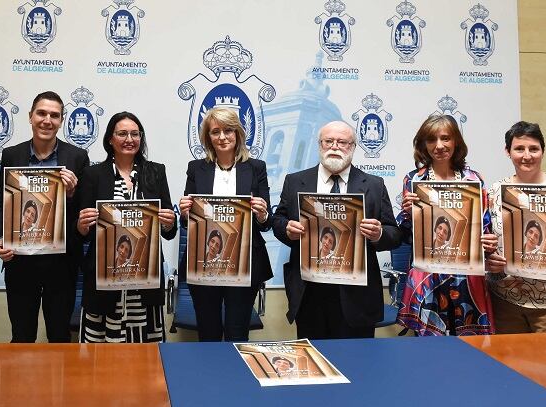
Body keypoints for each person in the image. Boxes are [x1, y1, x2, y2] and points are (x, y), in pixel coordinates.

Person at [272, 121, 401, 339]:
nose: (334, 146)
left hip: (356, 297)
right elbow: (278, 220)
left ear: (352, 147)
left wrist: (379, 234)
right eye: (328, 141)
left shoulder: (374, 184)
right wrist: (286, 229)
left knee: (356, 365)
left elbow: (394, 234)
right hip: (309, 292)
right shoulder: (295, 181)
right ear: (319, 144)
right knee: (313, 364)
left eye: (342, 142)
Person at [0, 91, 89, 343]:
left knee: (59, 336)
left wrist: (71, 193)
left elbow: (86, 215)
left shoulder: (78, 157)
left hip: (61, 264)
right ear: (30, 116)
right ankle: (21, 384)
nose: (47, 120)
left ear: (61, 121)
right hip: (20, 262)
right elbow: (1, 205)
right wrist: (1, 239)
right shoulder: (11, 155)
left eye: (54, 115)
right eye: (42, 113)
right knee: (22, 336)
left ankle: (60, 384)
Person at [77, 111, 177, 343]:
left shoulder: (156, 172)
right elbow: (82, 233)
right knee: (100, 358)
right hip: (103, 281)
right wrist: (81, 225)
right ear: (110, 139)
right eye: (122, 133)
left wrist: (168, 222)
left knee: (146, 357)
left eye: (135, 134)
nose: (129, 139)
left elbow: (169, 232)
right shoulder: (93, 175)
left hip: (145, 281)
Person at [178, 107, 272, 342]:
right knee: (207, 332)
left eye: (228, 130)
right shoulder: (196, 168)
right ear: (207, 137)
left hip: (245, 263)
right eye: (215, 132)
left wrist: (262, 214)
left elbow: (266, 222)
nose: (222, 137)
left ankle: (236, 378)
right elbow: (187, 221)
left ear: (238, 133)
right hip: (204, 262)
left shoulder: (256, 167)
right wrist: (185, 212)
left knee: (237, 333)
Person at [397, 114, 495, 336]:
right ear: (423, 145)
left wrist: (489, 242)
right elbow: (405, 234)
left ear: (456, 142)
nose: (439, 146)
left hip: (467, 277)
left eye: (445, 138)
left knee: (471, 352)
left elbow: (485, 228)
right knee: (429, 353)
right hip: (428, 276)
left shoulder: (474, 180)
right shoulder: (414, 180)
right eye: (432, 140)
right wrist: (407, 213)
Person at [486, 121, 546, 333]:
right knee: (507, 364)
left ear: (542, 150)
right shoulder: (494, 193)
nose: (527, 155)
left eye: (534, 148)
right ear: (508, 151)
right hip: (505, 301)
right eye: (519, 148)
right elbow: (482, 240)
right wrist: (489, 260)